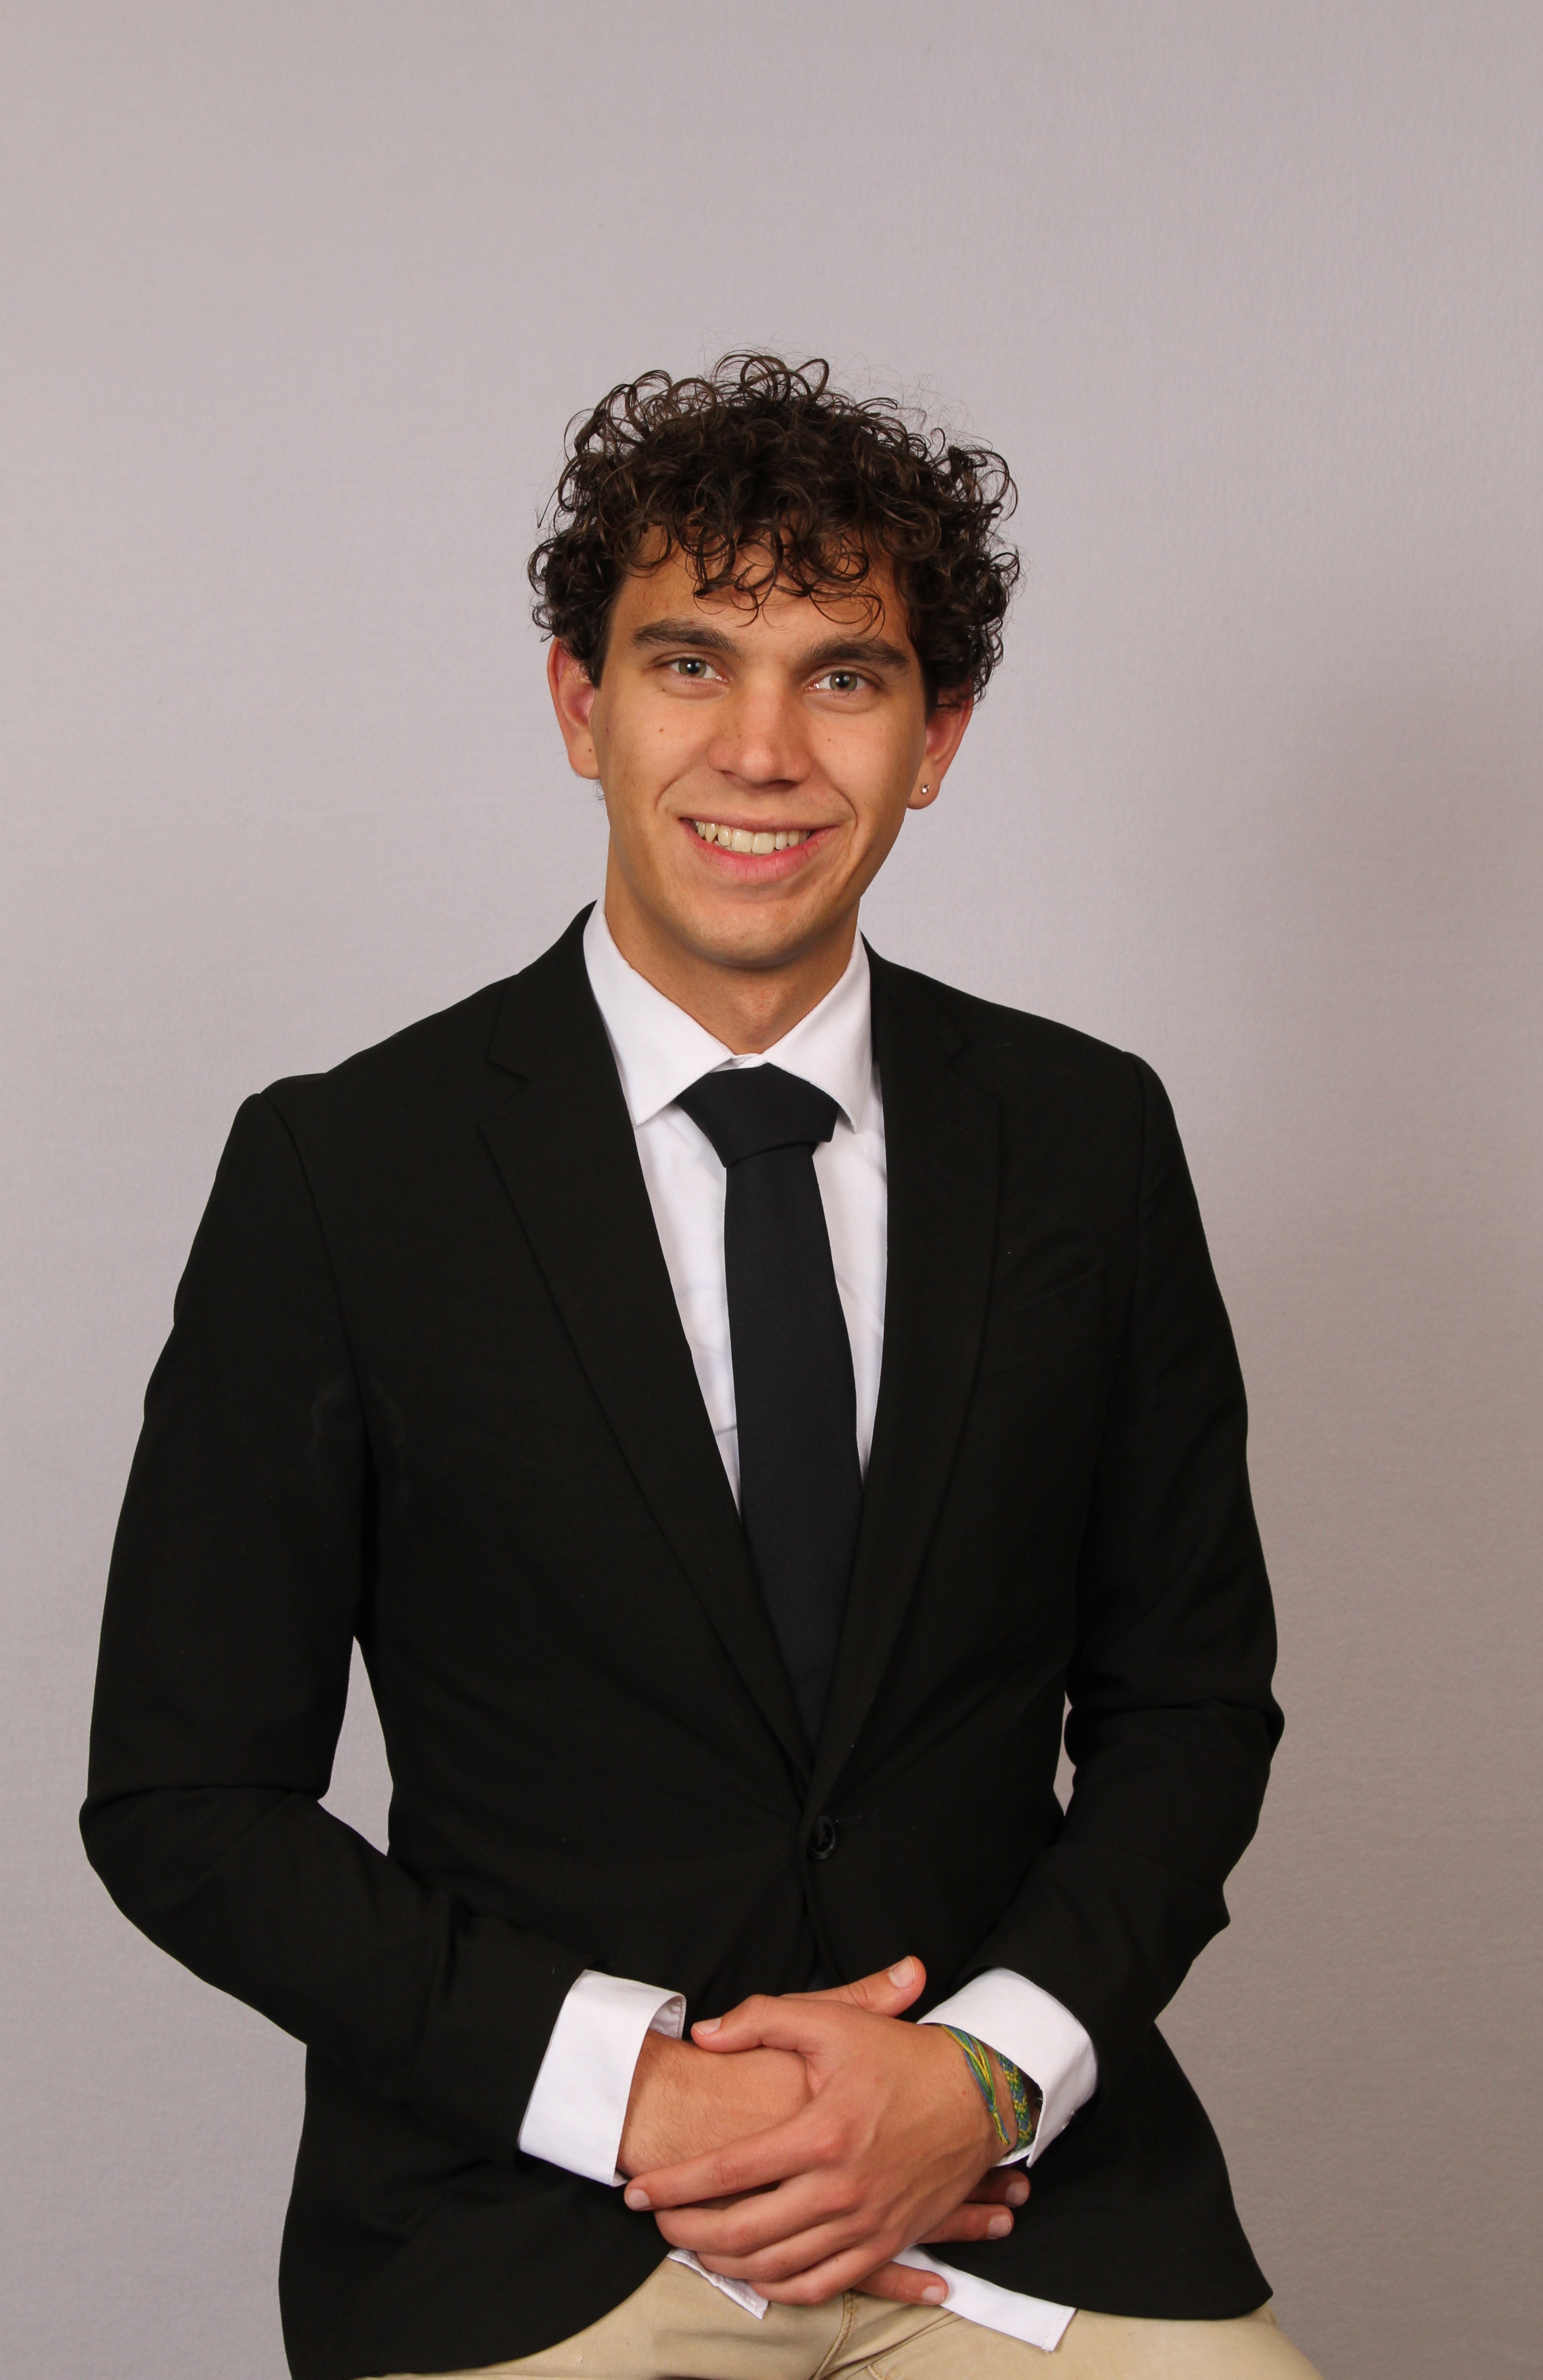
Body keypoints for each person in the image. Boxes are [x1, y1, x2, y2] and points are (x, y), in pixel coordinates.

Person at [82, 355, 1321, 2380]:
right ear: (582, 706)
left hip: (1016, 2197)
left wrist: (985, 2073)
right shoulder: (344, 1173)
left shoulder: (1088, 1140)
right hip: (531, 2213)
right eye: (690, 664)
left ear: (938, 738)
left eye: (845, 677)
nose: (763, 748)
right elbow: (184, 1797)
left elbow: (1190, 1704)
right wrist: (630, 2090)